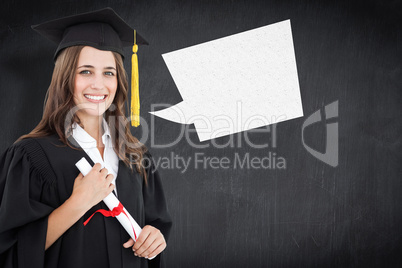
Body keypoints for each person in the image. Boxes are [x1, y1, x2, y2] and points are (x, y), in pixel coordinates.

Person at [0, 7, 172, 268]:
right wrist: (78, 202)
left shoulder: (136, 156)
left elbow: (155, 225)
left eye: (108, 72)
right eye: (85, 71)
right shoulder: (30, 156)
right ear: (65, 78)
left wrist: (155, 238)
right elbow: (11, 250)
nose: (98, 85)